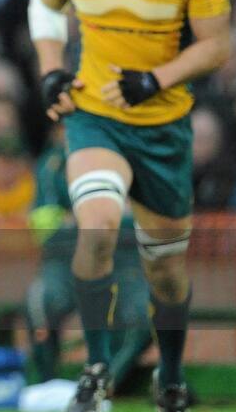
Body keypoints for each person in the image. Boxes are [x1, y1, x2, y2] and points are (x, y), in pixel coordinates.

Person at [31, 0, 231, 412]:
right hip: (95, 116)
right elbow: (43, 9)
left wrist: (157, 79)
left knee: (165, 270)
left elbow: (218, 44)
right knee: (94, 222)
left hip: (165, 128)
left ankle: (169, 379)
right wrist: (50, 70)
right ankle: (95, 368)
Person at [25, 127, 152, 394]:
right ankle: (47, 386)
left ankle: (102, 386)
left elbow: (148, 221)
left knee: (144, 313)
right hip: (65, 258)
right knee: (42, 302)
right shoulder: (53, 163)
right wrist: (105, 219)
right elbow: (45, 226)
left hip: (126, 261)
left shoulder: (135, 157)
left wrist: (79, 218)